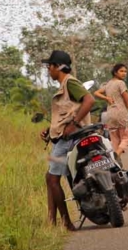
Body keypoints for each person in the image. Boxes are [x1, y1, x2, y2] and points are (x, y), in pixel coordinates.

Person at [39, 50, 94, 231]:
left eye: (50, 67)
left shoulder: (70, 82)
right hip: (66, 135)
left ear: (57, 67)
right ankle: (51, 221)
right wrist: (50, 130)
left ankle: (66, 223)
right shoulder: (64, 85)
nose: (49, 70)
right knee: (50, 178)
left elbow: (89, 100)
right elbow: (68, 113)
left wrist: (74, 124)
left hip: (69, 138)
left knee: (53, 180)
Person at [94, 63, 128, 165]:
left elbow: (96, 93)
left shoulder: (108, 84)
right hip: (120, 113)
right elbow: (127, 100)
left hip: (110, 114)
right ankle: (115, 156)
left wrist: (106, 98)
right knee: (127, 138)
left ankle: (116, 165)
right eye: (121, 71)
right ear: (115, 72)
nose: (124, 73)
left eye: (125, 71)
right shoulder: (120, 83)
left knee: (115, 141)